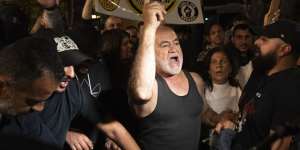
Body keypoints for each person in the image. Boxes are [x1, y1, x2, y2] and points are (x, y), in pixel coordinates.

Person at [1, 30, 140, 150]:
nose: (71, 74)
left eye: (74, 65)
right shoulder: (16, 105)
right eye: (62, 66)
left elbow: (113, 128)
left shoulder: (72, 88)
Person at [128, 1, 232, 149]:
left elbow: (203, 112)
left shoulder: (195, 80)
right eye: (165, 45)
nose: (173, 49)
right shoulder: (151, 87)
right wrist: (149, 28)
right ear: (151, 54)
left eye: (176, 43)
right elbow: (141, 92)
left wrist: (219, 118)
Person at [216, 20, 300, 149]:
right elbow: (250, 114)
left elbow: (279, 145)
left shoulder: (291, 86)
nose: (256, 42)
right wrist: (231, 121)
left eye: (265, 40)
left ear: (284, 49)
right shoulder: (261, 71)